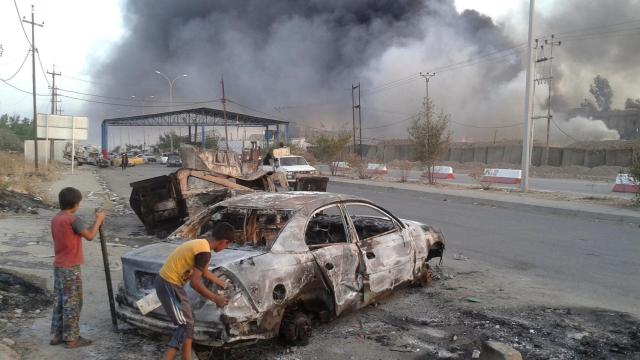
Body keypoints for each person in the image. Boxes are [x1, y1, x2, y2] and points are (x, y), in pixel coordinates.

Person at [155, 222, 233, 360]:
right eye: (227, 245)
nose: (226, 248)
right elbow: (195, 283)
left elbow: (205, 272)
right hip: (168, 284)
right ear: (224, 242)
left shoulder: (202, 244)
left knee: (189, 321)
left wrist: (222, 282)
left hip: (171, 284)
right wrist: (216, 298)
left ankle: (187, 358)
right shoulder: (204, 252)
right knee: (185, 324)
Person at [50, 187, 106, 348]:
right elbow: (90, 236)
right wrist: (99, 220)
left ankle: (56, 335)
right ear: (75, 204)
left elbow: (76, 233)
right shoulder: (73, 219)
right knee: (73, 302)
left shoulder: (56, 218)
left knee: (60, 301)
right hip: (70, 268)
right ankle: (72, 338)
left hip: (59, 266)